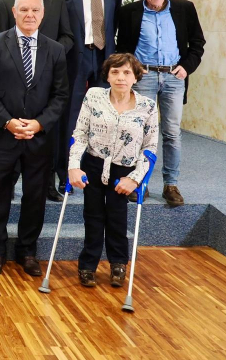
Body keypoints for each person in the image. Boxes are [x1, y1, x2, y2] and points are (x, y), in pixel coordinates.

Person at [0, 0, 69, 277]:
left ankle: (27, 251)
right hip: (2, 136)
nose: (30, 15)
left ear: (43, 14)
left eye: (35, 10)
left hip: (39, 139)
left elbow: (60, 94)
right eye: (24, 10)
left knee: (35, 197)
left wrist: (39, 124)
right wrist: (8, 122)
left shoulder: (55, 50)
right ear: (14, 12)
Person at [116, 0, 205, 207]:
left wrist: (186, 67)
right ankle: (138, 182)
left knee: (172, 132)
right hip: (143, 77)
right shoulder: (129, 12)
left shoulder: (184, 9)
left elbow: (198, 43)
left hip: (174, 77)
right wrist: (133, 69)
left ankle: (170, 184)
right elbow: (122, 46)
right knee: (139, 132)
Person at [68, 53, 158, 287]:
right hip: (95, 166)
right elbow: (79, 135)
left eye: (127, 72)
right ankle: (88, 264)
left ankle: (118, 263)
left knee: (117, 219)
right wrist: (73, 167)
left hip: (124, 171)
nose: (121, 77)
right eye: (115, 72)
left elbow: (150, 148)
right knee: (93, 217)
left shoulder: (147, 106)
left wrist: (135, 180)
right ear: (107, 75)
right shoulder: (93, 96)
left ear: (135, 77)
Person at [0, 0, 75, 203]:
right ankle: (7, 184)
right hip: (14, 80)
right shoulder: (6, 1)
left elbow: (68, 37)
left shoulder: (57, 2)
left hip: (47, 77)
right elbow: (3, 40)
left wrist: (47, 54)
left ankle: (49, 184)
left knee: (46, 134)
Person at [53, 0, 122, 196]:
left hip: (105, 57)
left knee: (104, 117)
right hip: (76, 57)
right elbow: (59, 22)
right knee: (70, 116)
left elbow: (114, 23)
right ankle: (65, 173)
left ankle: (97, 171)